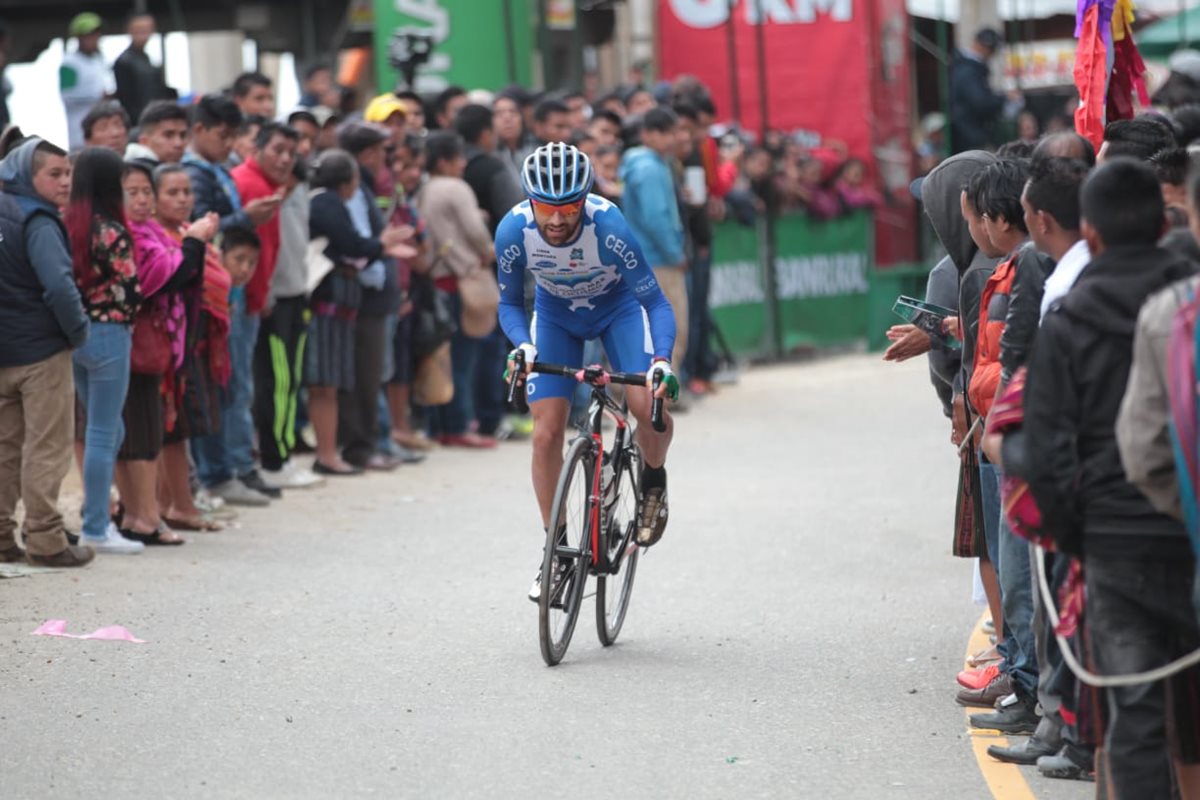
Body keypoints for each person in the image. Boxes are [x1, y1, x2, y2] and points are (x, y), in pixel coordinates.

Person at [1023, 159, 1200, 799]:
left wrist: (1078, 535)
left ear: (1088, 233)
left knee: (1135, 713)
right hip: (1190, 530)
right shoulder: (1190, 304)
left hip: (1114, 544)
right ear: (1164, 224)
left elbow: (1043, 451)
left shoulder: (1068, 321)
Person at [494, 142, 679, 600]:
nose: (556, 221)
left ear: (585, 200)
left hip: (618, 311)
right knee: (545, 431)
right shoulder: (512, 232)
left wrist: (661, 362)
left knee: (644, 401)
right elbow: (509, 302)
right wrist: (523, 346)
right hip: (556, 316)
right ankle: (555, 552)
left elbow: (655, 301)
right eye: (546, 209)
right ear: (529, 201)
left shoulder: (610, 226)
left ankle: (653, 476)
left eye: (569, 208)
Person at [0, 137, 92, 567]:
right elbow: (59, 285)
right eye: (54, 174)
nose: (64, 182)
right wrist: (77, 331)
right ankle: (45, 540)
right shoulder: (37, 220)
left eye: (67, 173)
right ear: (26, 174)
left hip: (5, 352)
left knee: (5, 448)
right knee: (46, 448)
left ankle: (1, 536)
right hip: (41, 352)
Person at [184, 93, 279, 506]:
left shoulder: (216, 170)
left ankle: (236, 466)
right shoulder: (196, 175)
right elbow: (206, 229)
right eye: (222, 135)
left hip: (233, 288)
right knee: (225, 386)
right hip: (214, 291)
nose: (227, 144)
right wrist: (246, 218)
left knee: (236, 384)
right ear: (200, 129)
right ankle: (222, 471)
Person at [306, 149, 411, 475]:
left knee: (338, 380)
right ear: (348, 180)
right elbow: (352, 244)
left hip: (342, 304)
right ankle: (336, 452)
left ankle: (338, 450)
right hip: (327, 304)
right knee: (329, 381)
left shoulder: (324, 200)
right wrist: (382, 244)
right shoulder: (325, 202)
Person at [152, 164, 233, 531]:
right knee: (170, 427)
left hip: (196, 342)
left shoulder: (189, 233)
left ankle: (172, 504)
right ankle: (172, 505)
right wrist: (196, 243)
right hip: (169, 343)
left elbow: (217, 283)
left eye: (187, 192)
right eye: (172, 192)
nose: (183, 199)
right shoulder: (159, 237)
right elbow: (181, 278)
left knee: (179, 428)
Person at [415, 131, 497, 449]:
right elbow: (475, 232)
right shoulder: (456, 187)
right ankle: (460, 425)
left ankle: (438, 426)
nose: (463, 163)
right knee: (462, 358)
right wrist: (488, 249)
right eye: (458, 157)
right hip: (461, 281)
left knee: (438, 356)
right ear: (445, 161)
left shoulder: (424, 189)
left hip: (435, 278)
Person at [337, 121, 411, 469]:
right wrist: (384, 246)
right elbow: (360, 243)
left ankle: (375, 441)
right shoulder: (352, 189)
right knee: (364, 376)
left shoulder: (366, 188)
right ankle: (362, 445)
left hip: (379, 293)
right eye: (383, 151)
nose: (388, 159)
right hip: (365, 295)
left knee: (374, 373)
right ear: (367, 153)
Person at [621, 107, 688, 369]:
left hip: (644, 258)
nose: (672, 139)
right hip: (658, 260)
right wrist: (675, 253)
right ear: (647, 134)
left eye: (674, 133)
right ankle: (664, 392)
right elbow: (656, 218)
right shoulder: (649, 169)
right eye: (665, 133)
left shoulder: (648, 164)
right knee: (671, 327)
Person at [949, 28, 1009, 153]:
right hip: (970, 137)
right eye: (989, 48)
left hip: (970, 136)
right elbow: (980, 102)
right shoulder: (968, 70)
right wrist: (1003, 98)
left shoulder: (968, 67)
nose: (990, 53)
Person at [60, 12, 113, 151]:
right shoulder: (69, 63)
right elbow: (67, 95)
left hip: (103, 133)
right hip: (80, 135)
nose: (95, 38)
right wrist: (98, 96)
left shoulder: (99, 60)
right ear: (79, 37)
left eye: (96, 34)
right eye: (89, 34)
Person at [113, 12, 166, 124]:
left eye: (147, 29)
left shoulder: (147, 59)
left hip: (153, 118)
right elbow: (126, 99)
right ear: (129, 30)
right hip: (138, 122)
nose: (143, 34)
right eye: (139, 29)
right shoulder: (124, 61)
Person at [136, 100, 189, 164]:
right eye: (168, 136)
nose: (178, 143)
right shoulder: (128, 172)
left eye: (182, 136)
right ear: (144, 141)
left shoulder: (189, 170)